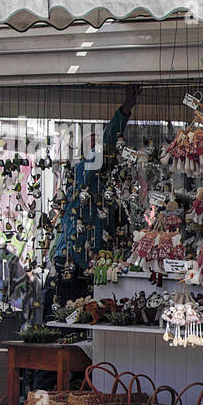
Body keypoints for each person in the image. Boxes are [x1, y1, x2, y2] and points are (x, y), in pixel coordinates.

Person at [51, 84, 139, 305]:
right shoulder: (84, 172)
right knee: (69, 316)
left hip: (90, 264)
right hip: (71, 260)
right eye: (94, 147)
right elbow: (105, 144)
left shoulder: (106, 185)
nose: (101, 150)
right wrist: (125, 110)